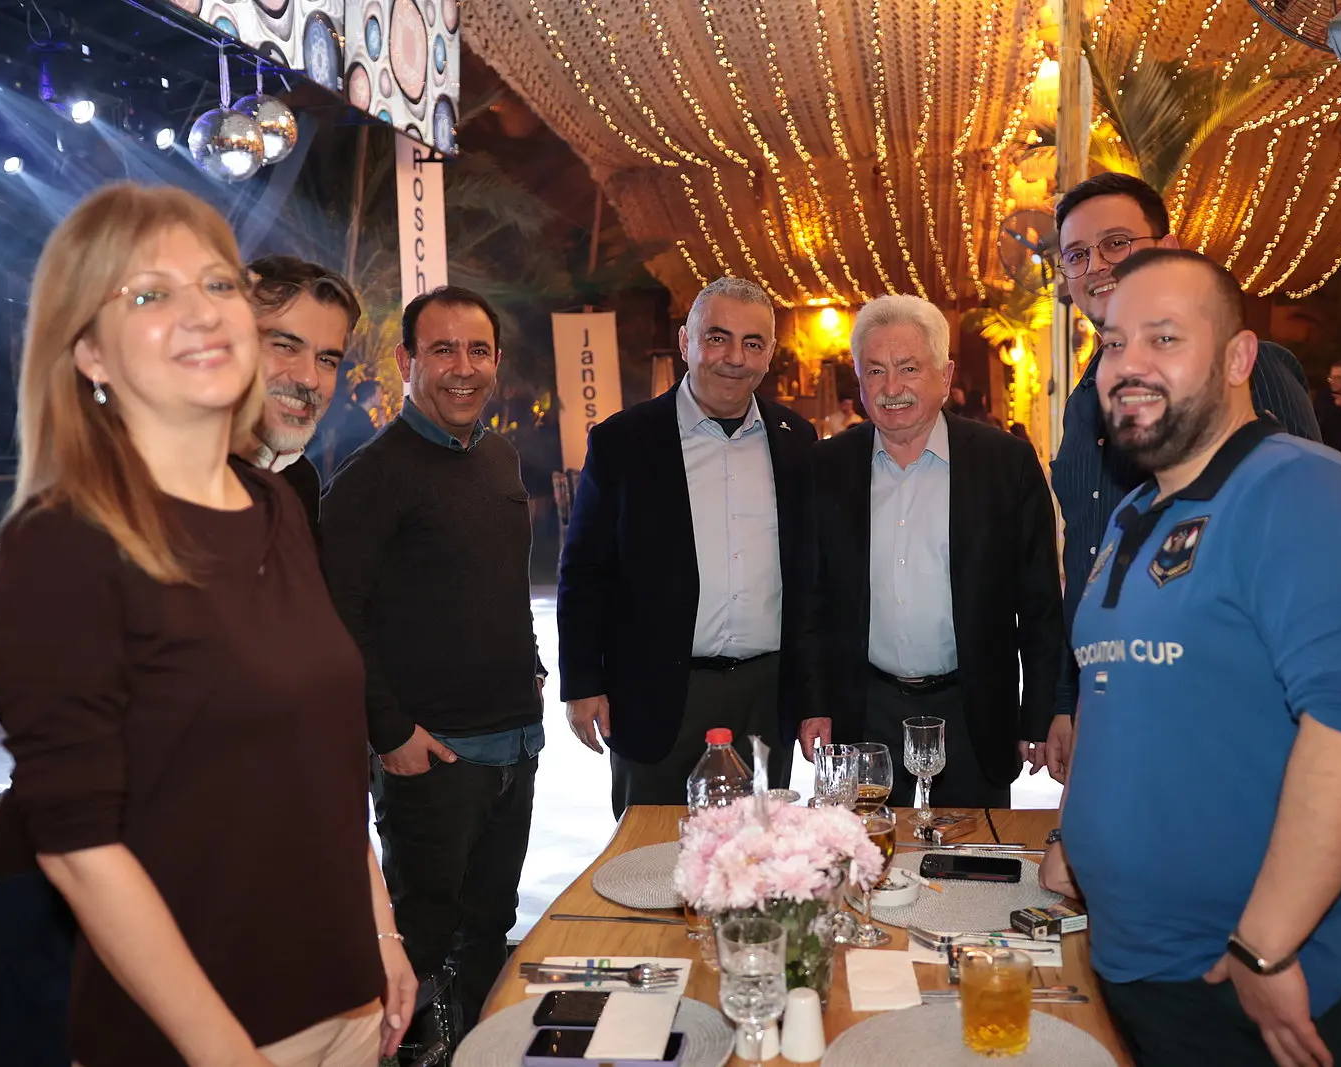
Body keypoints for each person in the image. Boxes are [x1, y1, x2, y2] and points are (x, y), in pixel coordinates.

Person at [0, 183, 414, 1067]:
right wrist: (226, 1052)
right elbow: (78, 846)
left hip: (348, 1007)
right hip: (199, 1038)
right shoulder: (64, 540)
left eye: (218, 284)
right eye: (150, 293)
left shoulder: (276, 505)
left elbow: (323, 760)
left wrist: (383, 933)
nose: (203, 312)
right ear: (89, 351)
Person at [1041, 249, 1341, 1066]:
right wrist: (1077, 829)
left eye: (1164, 338)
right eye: (1113, 343)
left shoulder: (1299, 491)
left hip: (1257, 978)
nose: (1128, 364)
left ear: (1240, 358)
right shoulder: (1135, 512)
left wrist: (1265, 944)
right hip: (1143, 962)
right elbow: (1117, 689)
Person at [1048, 171, 1322, 783]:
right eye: (1077, 254)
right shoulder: (1086, 400)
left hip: (1225, 714)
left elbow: (1302, 543)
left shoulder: (1243, 369)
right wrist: (1071, 695)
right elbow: (1087, 559)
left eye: (1117, 242)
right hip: (1112, 702)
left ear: (1168, 248)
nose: (1097, 265)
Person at [321, 286, 544, 1032]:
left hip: (515, 745)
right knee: (421, 942)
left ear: (497, 360)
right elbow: (337, 614)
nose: (463, 367)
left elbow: (504, 583)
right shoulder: (372, 476)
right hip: (433, 758)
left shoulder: (500, 456)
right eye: (442, 350)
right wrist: (389, 732)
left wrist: (532, 667)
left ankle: (474, 1046)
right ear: (406, 361)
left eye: (478, 350)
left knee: (490, 926)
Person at [558, 276, 818, 816]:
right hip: (656, 694)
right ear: (685, 342)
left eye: (752, 343)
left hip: (765, 697)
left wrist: (815, 694)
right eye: (717, 338)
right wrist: (582, 682)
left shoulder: (797, 440)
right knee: (651, 852)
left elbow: (813, 579)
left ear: (770, 353)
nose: (735, 358)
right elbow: (584, 570)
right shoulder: (623, 441)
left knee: (760, 854)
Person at [801, 295, 1066, 808]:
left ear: (945, 377)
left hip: (971, 713)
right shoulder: (826, 467)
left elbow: (1039, 604)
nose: (891, 388)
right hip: (863, 712)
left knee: (972, 853)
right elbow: (809, 599)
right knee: (866, 853)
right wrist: (813, 703)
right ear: (858, 381)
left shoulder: (1005, 464)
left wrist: (1037, 713)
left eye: (908, 368)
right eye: (875, 370)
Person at [247, 255, 360, 543]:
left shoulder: (300, 480)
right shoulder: (161, 475)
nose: (309, 378)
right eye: (285, 347)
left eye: (326, 360)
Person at [1312, 359, 1341, 454]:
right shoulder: (1323, 397)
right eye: (1331, 378)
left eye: (1338, 378)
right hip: (1326, 449)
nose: (1333, 382)